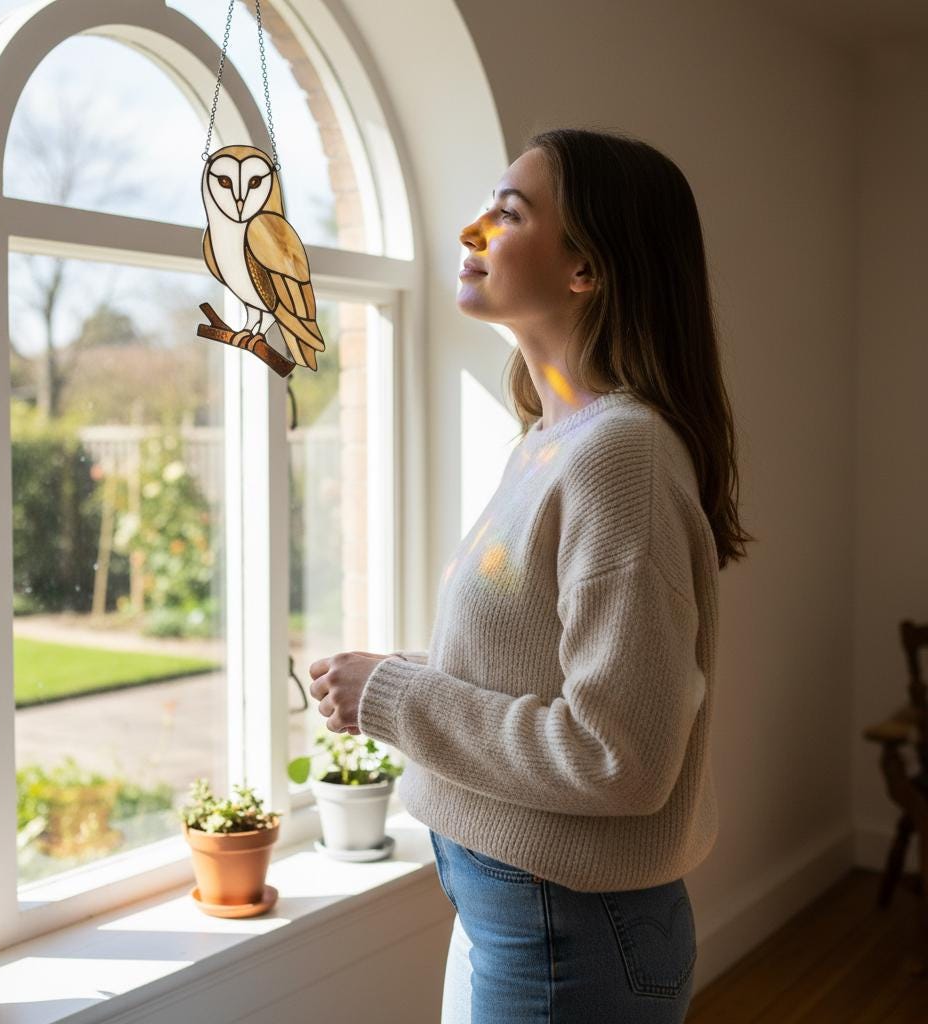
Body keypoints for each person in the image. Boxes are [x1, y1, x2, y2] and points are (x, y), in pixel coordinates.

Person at [308, 126, 755, 1023]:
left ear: (586, 269)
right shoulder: (549, 444)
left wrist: (395, 698)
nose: (472, 232)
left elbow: (620, 758)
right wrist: (404, 678)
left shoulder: (618, 456)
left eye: (507, 213)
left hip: (566, 933)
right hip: (516, 908)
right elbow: (541, 670)